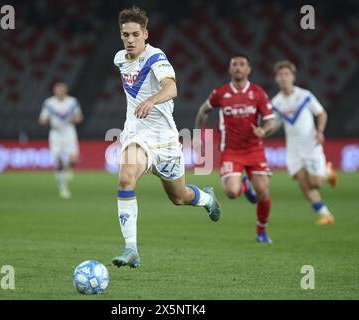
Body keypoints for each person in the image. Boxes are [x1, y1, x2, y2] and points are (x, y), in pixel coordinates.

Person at [112, 6, 222, 268]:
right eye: (125, 34)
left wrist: (151, 100)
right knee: (126, 179)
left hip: (166, 140)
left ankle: (206, 198)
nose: (129, 39)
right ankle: (131, 249)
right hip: (137, 135)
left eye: (135, 34)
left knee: (179, 197)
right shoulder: (119, 58)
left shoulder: (156, 58)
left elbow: (172, 87)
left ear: (146, 34)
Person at [194, 54, 275, 243]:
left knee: (262, 192)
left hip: (254, 149)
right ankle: (244, 184)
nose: (238, 67)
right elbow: (203, 110)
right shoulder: (220, 93)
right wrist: (197, 134)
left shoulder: (258, 93)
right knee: (231, 193)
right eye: (234, 65)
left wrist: (264, 130)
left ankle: (261, 231)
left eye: (242, 64)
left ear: (248, 70)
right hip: (231, 151)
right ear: (230, 70)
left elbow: (271, 121)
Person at [271, 60, 337, 225]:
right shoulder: (276, 102)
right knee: (302, 181)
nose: (283, 78)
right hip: (293, 149)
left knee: (316, 183)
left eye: (286, 74)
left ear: (293, 77)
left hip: (311, 145)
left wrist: (320, 131)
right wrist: (262, 132)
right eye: (280, 75)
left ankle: (327, 172)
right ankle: (325, 214)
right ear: (276, 79)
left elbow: (321, 114)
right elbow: (274, 124)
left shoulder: (304, 96)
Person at [39, 82, 83, 199]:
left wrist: (74, 119)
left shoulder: (72, 102)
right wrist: (43, 120)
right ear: (54, 90)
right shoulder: (49, 103)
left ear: (66, 90)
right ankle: (63, 189)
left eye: (62, 89)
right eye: (58, 89)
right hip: (55, 133)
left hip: (69, 131)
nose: (60, 91)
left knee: (73, 159)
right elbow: (42, 118)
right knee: (58, 162)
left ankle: (68, 168)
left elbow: (79, 117)